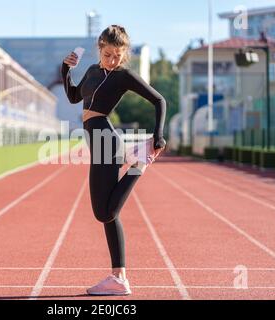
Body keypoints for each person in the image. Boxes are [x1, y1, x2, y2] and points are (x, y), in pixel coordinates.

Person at [61, 25, 168, 296]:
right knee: (107, 214)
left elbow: (159, 101)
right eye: (108, 54)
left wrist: (158, 135)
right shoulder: (92, 72)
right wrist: (65, 70)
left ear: (124, 54)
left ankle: (139, 164)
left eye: (118, 55)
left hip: (106, 141)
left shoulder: (124, 76)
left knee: (105, 213)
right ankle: (118, 278)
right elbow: (74, 97)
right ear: (100, 49)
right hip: (97, 142)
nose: (113, 60)